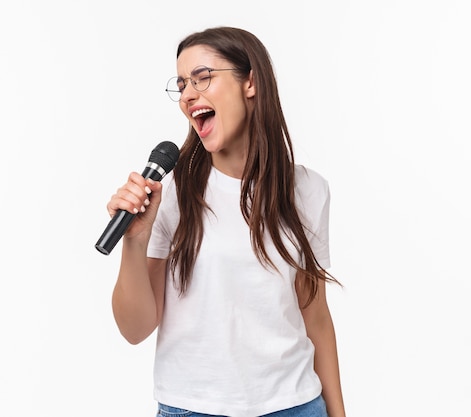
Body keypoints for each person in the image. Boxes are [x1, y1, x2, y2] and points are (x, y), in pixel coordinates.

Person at [106, 26, 346, 417]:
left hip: (296, 406)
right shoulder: (172, 194)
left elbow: (315, 316)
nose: (187, 94)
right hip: (193, 408)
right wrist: (135, 239)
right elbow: (135, 329)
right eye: (182, 84)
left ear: (250, 83)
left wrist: (338, 413)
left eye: (202, 78)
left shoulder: (308, 190)